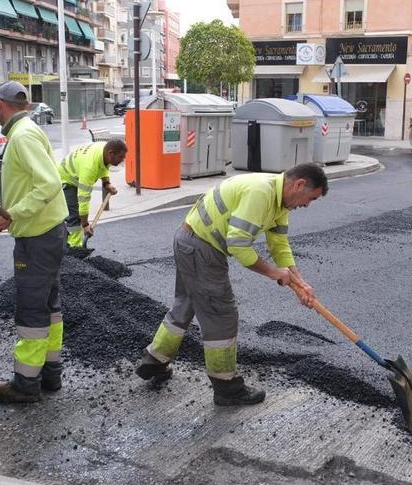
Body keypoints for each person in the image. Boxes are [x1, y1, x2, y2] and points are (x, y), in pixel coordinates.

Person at [134, 163, 327, 406]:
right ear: (299, 184)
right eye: (310, 198)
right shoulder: (261, 193)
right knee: (222, 315)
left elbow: (279, 244)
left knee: (185, 304)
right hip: (201, 248)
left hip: (190, 241)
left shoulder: (280, 201)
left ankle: (154, 361)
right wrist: (272, 273)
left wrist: (299, 283)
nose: (307, 205)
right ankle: (226, 387)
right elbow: (238, 245)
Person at [0, 81, 69, 404]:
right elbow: (36, 185)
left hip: (38, 238)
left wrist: (13, 214)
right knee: (49, 307)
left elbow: (48, 184)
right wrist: (6, 218)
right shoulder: (28, 130)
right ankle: (50, 373)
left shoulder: (22, 135)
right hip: (45, 232)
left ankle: (26, 384)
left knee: (32, 310)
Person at [58, 139, 127, 248]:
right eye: (121, 157)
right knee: (75, 215)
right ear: (111, 153)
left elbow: (104, 166)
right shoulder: (89, 168)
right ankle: (74, 248)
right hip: (66, 179)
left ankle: (68, 242)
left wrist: (106, 183)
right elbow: (83, 199)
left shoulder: (105, 151)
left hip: (77, 173)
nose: (123, 160)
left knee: (74, 215)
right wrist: (85, 225)